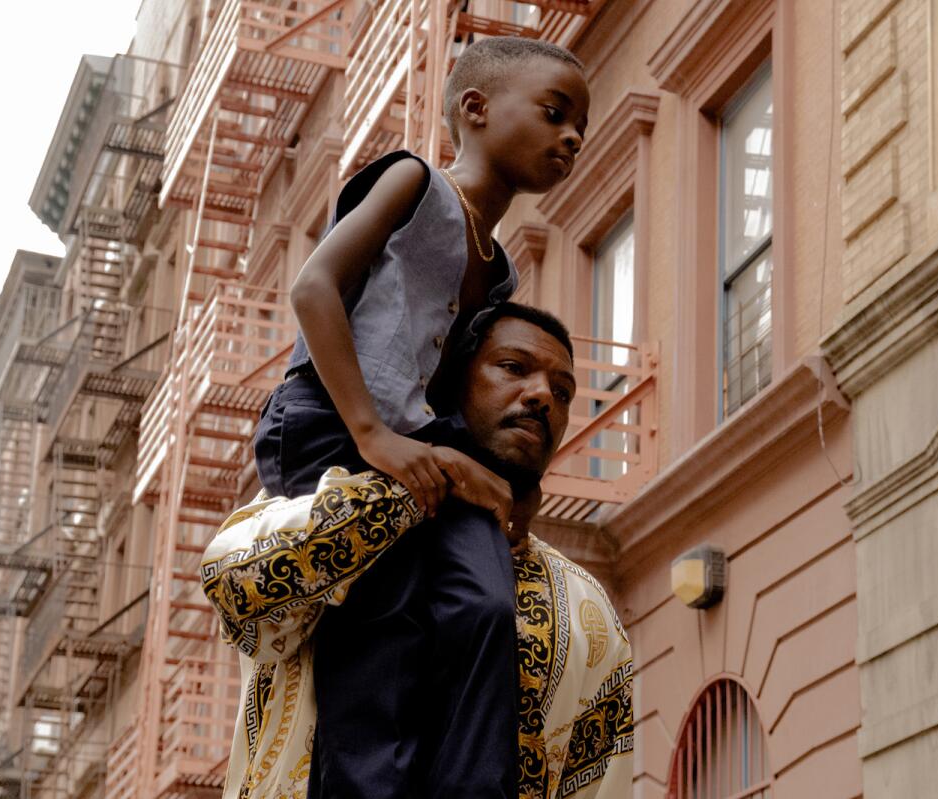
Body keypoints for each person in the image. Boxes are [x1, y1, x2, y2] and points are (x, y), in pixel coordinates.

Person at [250, 35, 590, 797]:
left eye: (581, 128)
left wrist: (505, 481)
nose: (572, 136)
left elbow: (451, 396)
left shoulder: (499, 269)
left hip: (416, 436)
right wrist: (373, 436)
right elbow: (313, 290)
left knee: (487, 601)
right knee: (388, 611)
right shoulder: (414, 181)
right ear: (474, 109)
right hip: (332, 418)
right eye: (555, 113)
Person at [205, 305, 633, 798]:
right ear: (450, 380)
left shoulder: (588, 612)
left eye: (562, 392)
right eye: (513, 368)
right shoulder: (326, 502)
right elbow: (234, 586)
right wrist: (430, 481)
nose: (542, 396)